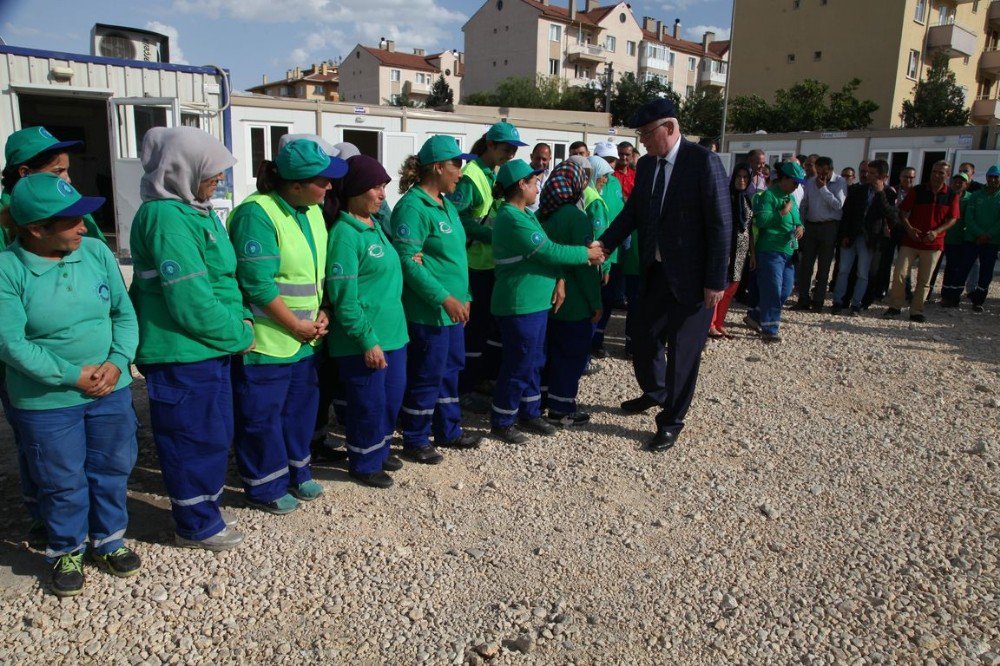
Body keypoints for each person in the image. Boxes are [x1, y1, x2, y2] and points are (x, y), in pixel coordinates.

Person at [0, 174, 138, 596]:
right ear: (36, 229)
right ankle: (66, 549)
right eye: (71, 220)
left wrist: (117, 363)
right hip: (47, 400)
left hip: (109, 390)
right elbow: (11, 344)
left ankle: (109, 539)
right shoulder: (8, 268)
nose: (84, 226)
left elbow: (124, 314)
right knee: (61, 478)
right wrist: (73, 375)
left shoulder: (95, 252)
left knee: (112, 467)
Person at [131, 127, 251, 551]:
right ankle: (195, 524)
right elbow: (190, 300)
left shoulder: (194, 211)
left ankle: (205, 507)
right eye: (211, 172)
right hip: (181, 352)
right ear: (182, 169)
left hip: (207, 348)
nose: (218, 180)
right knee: (190, 438)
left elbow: (220, 281)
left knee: (213, 434)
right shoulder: (165, 218)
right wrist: (240, 333)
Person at [593, 98, 731, 452]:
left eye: (647, 133)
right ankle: (655, 392)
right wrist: (605, 244)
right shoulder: (650, 167)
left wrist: (716, 280)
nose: (642, 141)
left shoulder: (703, 162)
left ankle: (671, 420)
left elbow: (720, 224)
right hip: (655, 272)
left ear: (669, 128)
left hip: (694, 279)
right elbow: (633, 214)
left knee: (683, 352)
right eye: (639, 134)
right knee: (642, 336)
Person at [227, 139, 346, 514]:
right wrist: (295, 323)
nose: (330, 188)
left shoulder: (311, 211)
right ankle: (264, 485)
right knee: (262, 417)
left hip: (305, 340)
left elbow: (315, 274)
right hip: (269, 341)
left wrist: (324, 308)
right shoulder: (257, 213)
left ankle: (298, 469)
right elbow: (257, 283)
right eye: (323, 181)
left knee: (300, 411)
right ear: (295, 184)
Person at [489, 159, 604, 444]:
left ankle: (529, 411)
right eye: (534, 181)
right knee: (519, 363)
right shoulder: (511, 218)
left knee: (534, 360)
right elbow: (548, 251)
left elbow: (544, 255)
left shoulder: (527, 214)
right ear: (521, 185)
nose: (539, 186)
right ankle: (503, 419)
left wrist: (560, 279)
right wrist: (586, 255)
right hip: (520, 304)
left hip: (536, 303)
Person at [391, 136, 481, 463]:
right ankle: (415, 437)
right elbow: (407, 261)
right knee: (426, 374)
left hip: (453, 311)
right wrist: (444, 298)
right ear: (438, 167)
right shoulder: (413, 207)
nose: (461, 171)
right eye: (457, 164)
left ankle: (448, 429)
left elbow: (454, 258)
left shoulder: (445, 204)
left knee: (449, 371)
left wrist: (465, 296)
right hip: (430, 312)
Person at [325, 155, 406, 489]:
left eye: (384, 186)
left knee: (388, 401)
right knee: (367, 405)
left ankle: (379, 449)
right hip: (365, 340)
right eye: (376, 187)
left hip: (393, 335)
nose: (382, 194)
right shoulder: (345, 234)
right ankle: (364, 461)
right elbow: (344, 297)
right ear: (356, 190)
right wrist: (366, 340)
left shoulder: (374, 226)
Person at [450, 122, 526, 410]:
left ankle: (478, 377)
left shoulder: (489, 173)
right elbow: (458, 219)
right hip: (474, 264)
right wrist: (494, 235)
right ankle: (464, 388)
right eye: (506, 148)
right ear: (491, 145)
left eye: (514, 149)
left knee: (487, 327)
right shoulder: (471, 177)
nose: (511, 154)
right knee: (474, 329)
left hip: (489, 262)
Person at [537, 160, 602, 425]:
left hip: (545, 297)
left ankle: (539, 403)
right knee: (570, 355)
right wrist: (596, 302)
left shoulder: (541, 215)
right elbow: (584, 267)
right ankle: (562, 409)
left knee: (548, 353)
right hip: (574, 302)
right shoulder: (577, 218)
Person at [884, 160, 960, 323]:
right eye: (934, 171)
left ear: (947, 175)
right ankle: (895, 307)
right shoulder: (918, 191)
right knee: (899, 273)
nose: (937, 175)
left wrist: (937, 232)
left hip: (933, 244)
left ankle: (916, 311)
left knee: (924, 280)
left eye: (941, 172)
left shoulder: (952, 195)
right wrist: (910, 229)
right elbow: (903, 212)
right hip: (911, 241)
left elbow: (953, 218)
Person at [747, 161, 806, 342]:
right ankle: (770, 330)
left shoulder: (792, 198)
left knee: (786, 289)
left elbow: (798, 220)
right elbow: (761, 221)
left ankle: (757, 315)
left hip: (788, 250)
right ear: (784, 179)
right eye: (794, 182)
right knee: (772, 289)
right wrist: (780, 213)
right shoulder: (769, 196)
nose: (797, 186)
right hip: (770, 249)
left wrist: (801, 227)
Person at [832, 159, 897, 315]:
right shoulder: (858, 190)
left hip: (869, 239)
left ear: (883, 176)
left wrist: (880, 193)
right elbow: (846, 214)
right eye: (868, 172)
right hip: (852, 236)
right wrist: (844, 235)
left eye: (873, 173)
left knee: (863, 273)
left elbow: (891, 215)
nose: (869, 176)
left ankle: (856, 303)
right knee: (843, 270)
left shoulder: (888, 193)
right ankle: (838, 301)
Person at [946, 165, 1000, 312]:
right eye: (991, 176)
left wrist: (988, 235)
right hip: (972, 239)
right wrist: (978, 234)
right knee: (963, 268)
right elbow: (969, 218)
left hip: (992, 241)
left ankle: (978, 300)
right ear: (987, 177)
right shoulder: (976, 195)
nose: (993, 179)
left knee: (986, 271)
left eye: (996, 177)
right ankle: (954, 298)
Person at [795, 156, 846, 311]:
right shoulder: (810, 182)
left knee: (823, 267)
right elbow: (804, 205)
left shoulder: (840, 182)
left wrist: (823, 189)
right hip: (811, 226)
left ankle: (818, 302)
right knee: (806, 265)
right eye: (818, 172)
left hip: (829, 227)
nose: (820, 176)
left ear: (830, 169)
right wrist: (801, 223)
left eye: (823, 172)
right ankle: (803, 299)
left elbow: (838, 205)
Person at [709, 163, 752, 337]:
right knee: (719, 287)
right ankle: (710, 323)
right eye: (739, 177)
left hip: (742, 250)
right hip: (727, 248)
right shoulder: (727, 198)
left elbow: (749, 226)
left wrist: (752, 253)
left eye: (745, 177)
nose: (742, 181)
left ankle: (720, 322)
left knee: (732, 288)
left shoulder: (747, 198)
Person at [585, 154, 619, 357]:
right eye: (603, 176)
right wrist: (605, 266)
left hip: (584, 260)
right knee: (595, 307)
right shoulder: (594, 200)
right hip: (594, 263)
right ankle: (586, 354)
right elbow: (599, 238)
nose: (605, 181)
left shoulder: (584, 193)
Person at [937, 173, 972, 308]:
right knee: (942, 268)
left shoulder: (970, 198)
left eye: (961, 182)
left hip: (960, 239)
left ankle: (953, 296)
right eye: (956, 181)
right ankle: (942, 295)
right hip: (944, 237)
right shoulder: (948, 195)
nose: (958, 184)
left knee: (956, 269)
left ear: (966, 184)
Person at [526, 143, 551, 213]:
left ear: (549, 159)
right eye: (538, 158)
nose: (540, 162)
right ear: (531, 156)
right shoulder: (523, 176)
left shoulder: (551, 177)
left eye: (544, 159)